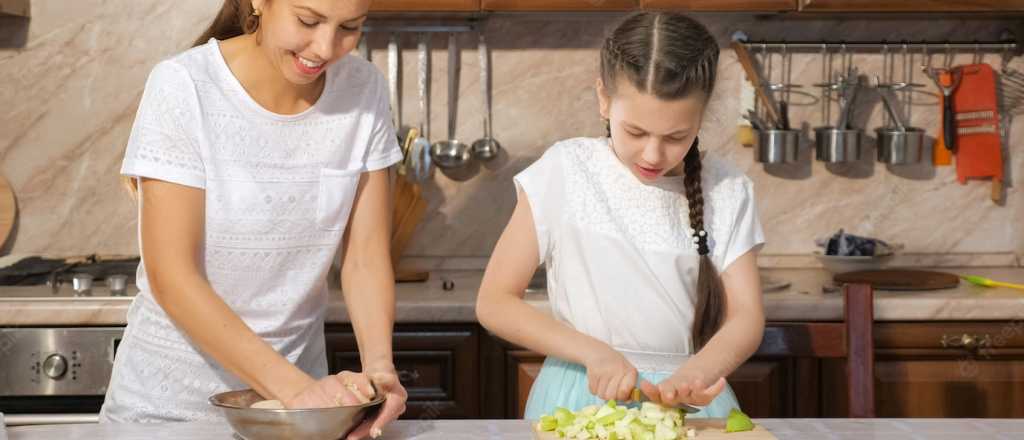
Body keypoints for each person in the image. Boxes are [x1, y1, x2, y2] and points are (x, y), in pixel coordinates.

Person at [100, 1, 407, 438]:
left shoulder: (364, 90)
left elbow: (365, 258)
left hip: (295, 417)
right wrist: (297, 391)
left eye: (349, 28)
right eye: (308, 20)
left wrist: (380, 371)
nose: (324, 47)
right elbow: (172, 276)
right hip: (167, 412)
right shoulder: (184, 85)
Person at [476, 11, 766, 420]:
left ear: (702, 116)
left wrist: (698, 373)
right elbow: (495, 302)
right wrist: (593, 353)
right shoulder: (565, 170)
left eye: (676, 137)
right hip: (578, 392)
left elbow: (747, 317)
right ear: (603, 98)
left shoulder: (727, 189)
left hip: (686, 403)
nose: (652, 154)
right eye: (635, 132)